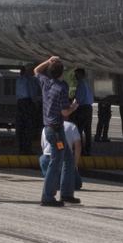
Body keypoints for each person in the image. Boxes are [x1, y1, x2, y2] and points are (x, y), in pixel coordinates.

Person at [35, 55, 79, 207]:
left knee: (68, 159)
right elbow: (65, 112)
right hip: (56, 131)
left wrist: (48, 60)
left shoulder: (46, 83)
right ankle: (47, 196)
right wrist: (73, 107)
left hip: (49, 128)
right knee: (56, 162)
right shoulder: (62, 87)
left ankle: (66, 193)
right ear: (62, 73)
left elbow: (36, 70)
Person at [40, 118, 83, 194]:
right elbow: (78, 146)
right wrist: (75, 164)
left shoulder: (46, 127)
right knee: (76, 183)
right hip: (61, 157)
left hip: (45, 157)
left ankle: (52, 184)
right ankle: (61, 190)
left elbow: (43, 145)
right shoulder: (71, 126)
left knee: (52, 173)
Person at [15, 65, 42, 154]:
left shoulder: (19, 80)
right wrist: (37, 103)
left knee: (20, 127)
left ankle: (21, 148)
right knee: (28, 127)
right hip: (28, 103)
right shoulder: (30, 80)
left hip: (20, 103)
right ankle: (27, 149)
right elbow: (32, 94)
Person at [72, 68, 95, 154]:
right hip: (89, 107)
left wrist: (72, 104)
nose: (75, 77)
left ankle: (81, 150)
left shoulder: (81, 84)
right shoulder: (87, 83)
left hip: (82, 108)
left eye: (76, 74)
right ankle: (88, 150)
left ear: (81, 74)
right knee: (88, 130)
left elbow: (79, 99)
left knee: (79, 130)